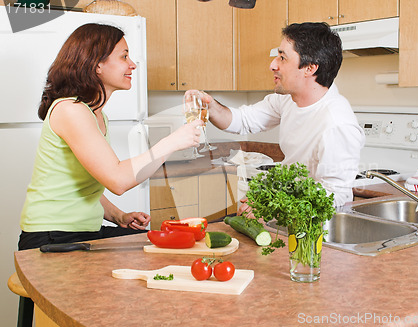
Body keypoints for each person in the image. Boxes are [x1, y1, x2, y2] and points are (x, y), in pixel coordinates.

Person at [18, 23, 202, 250]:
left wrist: (119, 216)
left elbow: (85, 184)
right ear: (97, 65)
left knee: (152, 249)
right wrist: (172, 142)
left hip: (80, 231)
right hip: (52, 237)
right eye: (124, 57)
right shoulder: (70, 110)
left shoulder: (97, 115)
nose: (132, 64)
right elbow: (118, 180)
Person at [187, 22, 365, 208]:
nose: (272, 65)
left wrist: (271, 208)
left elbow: (334, 197)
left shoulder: (337, 124)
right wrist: (211, 106)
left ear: (309, 68)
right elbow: (243, 121)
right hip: (290, 215)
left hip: (317, 227)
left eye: (282, 58)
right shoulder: (288, 99)